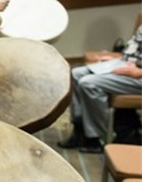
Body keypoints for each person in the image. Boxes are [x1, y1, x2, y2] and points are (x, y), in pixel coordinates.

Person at [58, 25, 142, 153]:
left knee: (89, 83)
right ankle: (80, 130)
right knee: (75, 74)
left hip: (139, 74)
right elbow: (135, 48)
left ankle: (94, 138)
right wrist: (120, 58)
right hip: (129, 64)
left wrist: (138, 72)